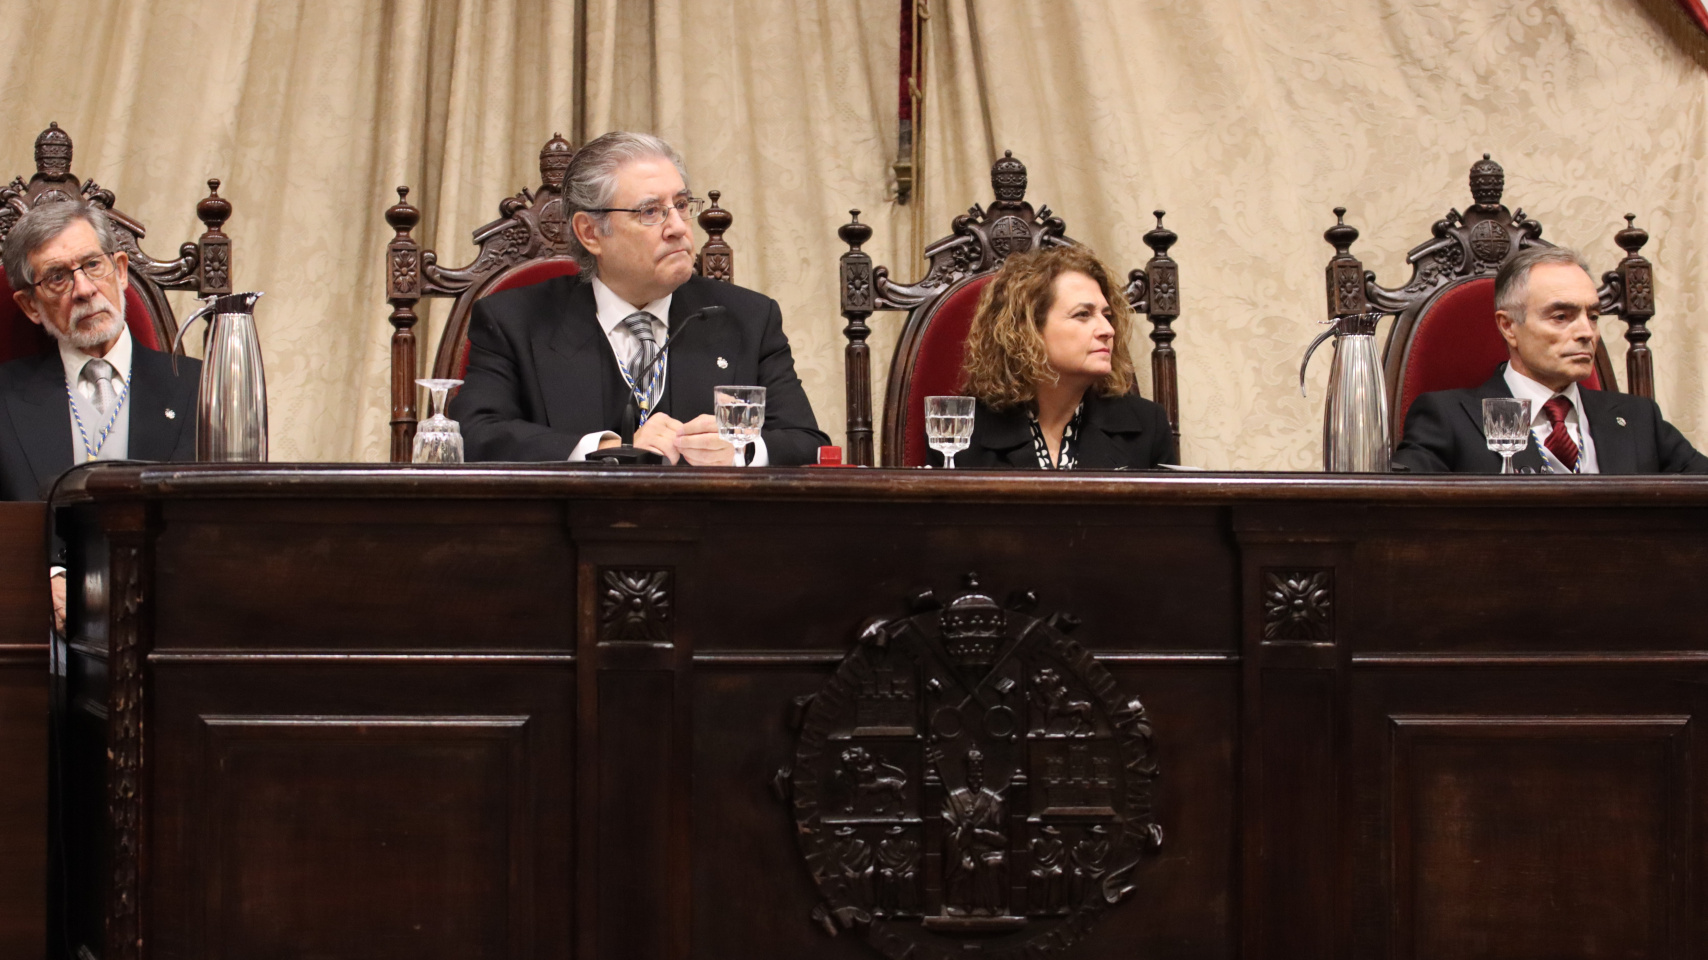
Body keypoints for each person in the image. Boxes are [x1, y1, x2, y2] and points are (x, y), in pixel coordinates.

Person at [450, 131, 828, 466]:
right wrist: (606, 448)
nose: (679, 228)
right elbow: (474, 435)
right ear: (590, 233)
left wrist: (741, 450)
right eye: (650, 212)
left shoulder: (749, 318)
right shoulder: (513, 321)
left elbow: (806, 442)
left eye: (681, 205)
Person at [0, 200, 200, 629]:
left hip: (168, 625)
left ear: (121, 270)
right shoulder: (2, 399)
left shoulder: (199, 389)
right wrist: (44, 577)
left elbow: (223, 527)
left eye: (93, 265)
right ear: (30, 306)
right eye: (57, 277)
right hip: (33, 641)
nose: (85, 289)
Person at [1392, 245, 1708, 474]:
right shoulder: (1448, 419)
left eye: (1593, 316)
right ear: (1508, 326)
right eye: (1561, 316)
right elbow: (1404, 520)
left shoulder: (1639, 419)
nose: (1587, 332)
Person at [949, 245, 1174, 470]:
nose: (1108, 330)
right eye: (1083, 314)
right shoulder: (958, 432)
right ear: (1027, 330)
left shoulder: (1147, 426)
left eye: (1107, 316)